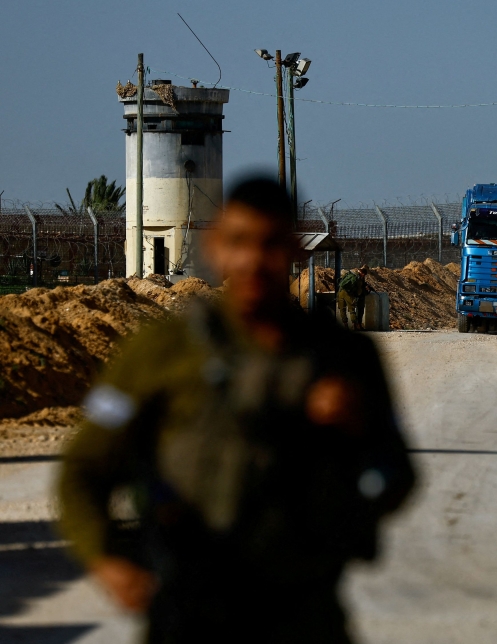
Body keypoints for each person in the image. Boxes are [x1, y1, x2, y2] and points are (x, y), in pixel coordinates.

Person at [58, 176, 416, 643]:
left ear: (295, 251)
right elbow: (84, 467)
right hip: (189, 610)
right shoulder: (162, 351)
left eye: (269, 244)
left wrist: (356, 428)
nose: (252, 260)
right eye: (239, 242)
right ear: (217, 247)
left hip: (304, 614)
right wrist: (106, 558)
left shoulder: (344, 360)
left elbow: (398, 475)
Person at [337, 265, 370, 330]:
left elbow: (341, 281)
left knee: (342, 309)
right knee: (352, 310)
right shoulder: (357, 278)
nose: (364, 276)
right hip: (348, 294)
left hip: (340, 292)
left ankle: (345, 325)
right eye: (364, 274)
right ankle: (355, 325)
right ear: (362, 273)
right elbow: (359, 291)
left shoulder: (349, 273)